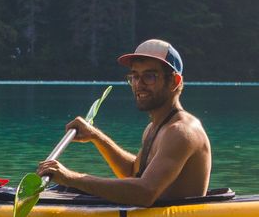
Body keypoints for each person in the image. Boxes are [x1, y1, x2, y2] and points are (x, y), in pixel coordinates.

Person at [37, 39, 211, 206]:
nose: (139, 84)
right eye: (135, 76)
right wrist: (96, 136)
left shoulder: (181, 131)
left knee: (70, 185)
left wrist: (72, 178)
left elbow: (145, 193)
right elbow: (132, 173)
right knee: (65, 188)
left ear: (174, 81)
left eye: (149, 76)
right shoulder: (155, 127)